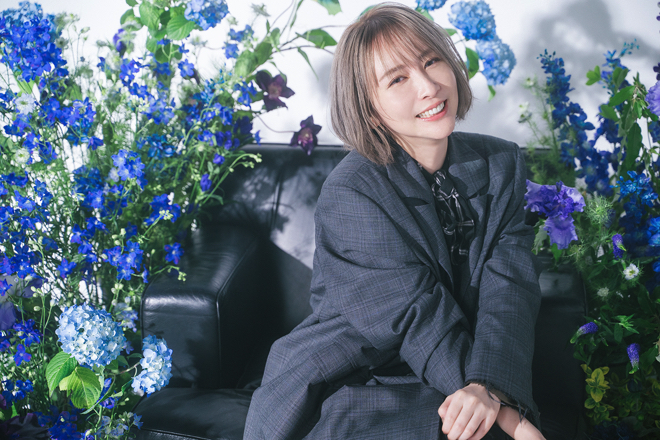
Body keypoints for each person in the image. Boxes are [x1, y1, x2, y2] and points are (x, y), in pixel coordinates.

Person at [244, 3, 545, 439]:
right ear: (369, 109)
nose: (429, 87)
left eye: (432, 61)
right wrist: (513, 423)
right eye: (397, 79)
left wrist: (492, 388)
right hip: (357, 376)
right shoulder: (352, 191)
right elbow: (416, 316)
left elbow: (509, 287)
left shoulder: (501, 162)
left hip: (462, 366)